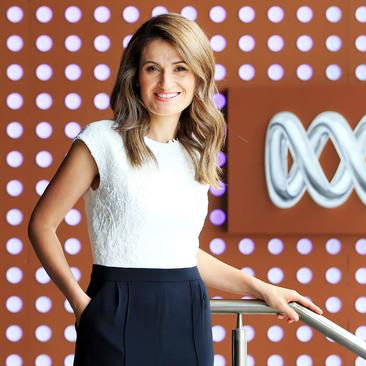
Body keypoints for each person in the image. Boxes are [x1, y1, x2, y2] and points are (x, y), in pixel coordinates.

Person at [27, 13, 322, 366]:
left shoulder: (196, 152)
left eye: (180, 68)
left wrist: (262, 289)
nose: (166, 81)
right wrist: (79, 302)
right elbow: (42, 225)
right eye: (153, 68)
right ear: (135, 76)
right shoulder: (101, 140)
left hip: (188, 312)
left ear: (198, 76)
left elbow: (182, 252)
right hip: (115, 313)